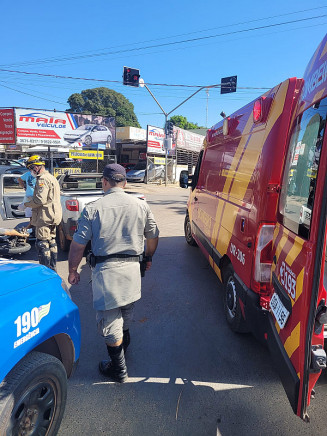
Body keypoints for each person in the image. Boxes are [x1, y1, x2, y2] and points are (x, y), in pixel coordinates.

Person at [68, 163, 159, 383]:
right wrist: (147, 258)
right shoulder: (140, 205)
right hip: (132, 271)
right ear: (125, 182)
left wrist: (72, 270)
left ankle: (118, 369)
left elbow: (78, 245)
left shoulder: (93, 208)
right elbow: (153, 235)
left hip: (107, 272)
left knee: (110, 322)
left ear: (104, 182)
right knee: (126, 309)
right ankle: (123, 347)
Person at [24, 155, 62, 271]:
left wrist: (26, 204)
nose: (31, 171)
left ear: (36, 167)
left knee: (42, 243)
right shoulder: (51, 177)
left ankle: (45, 271)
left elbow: (40, 200)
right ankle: (53, 269)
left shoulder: (42, 179)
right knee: (51, 241)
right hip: (53, 215)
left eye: (31, 169)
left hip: (44, 216)